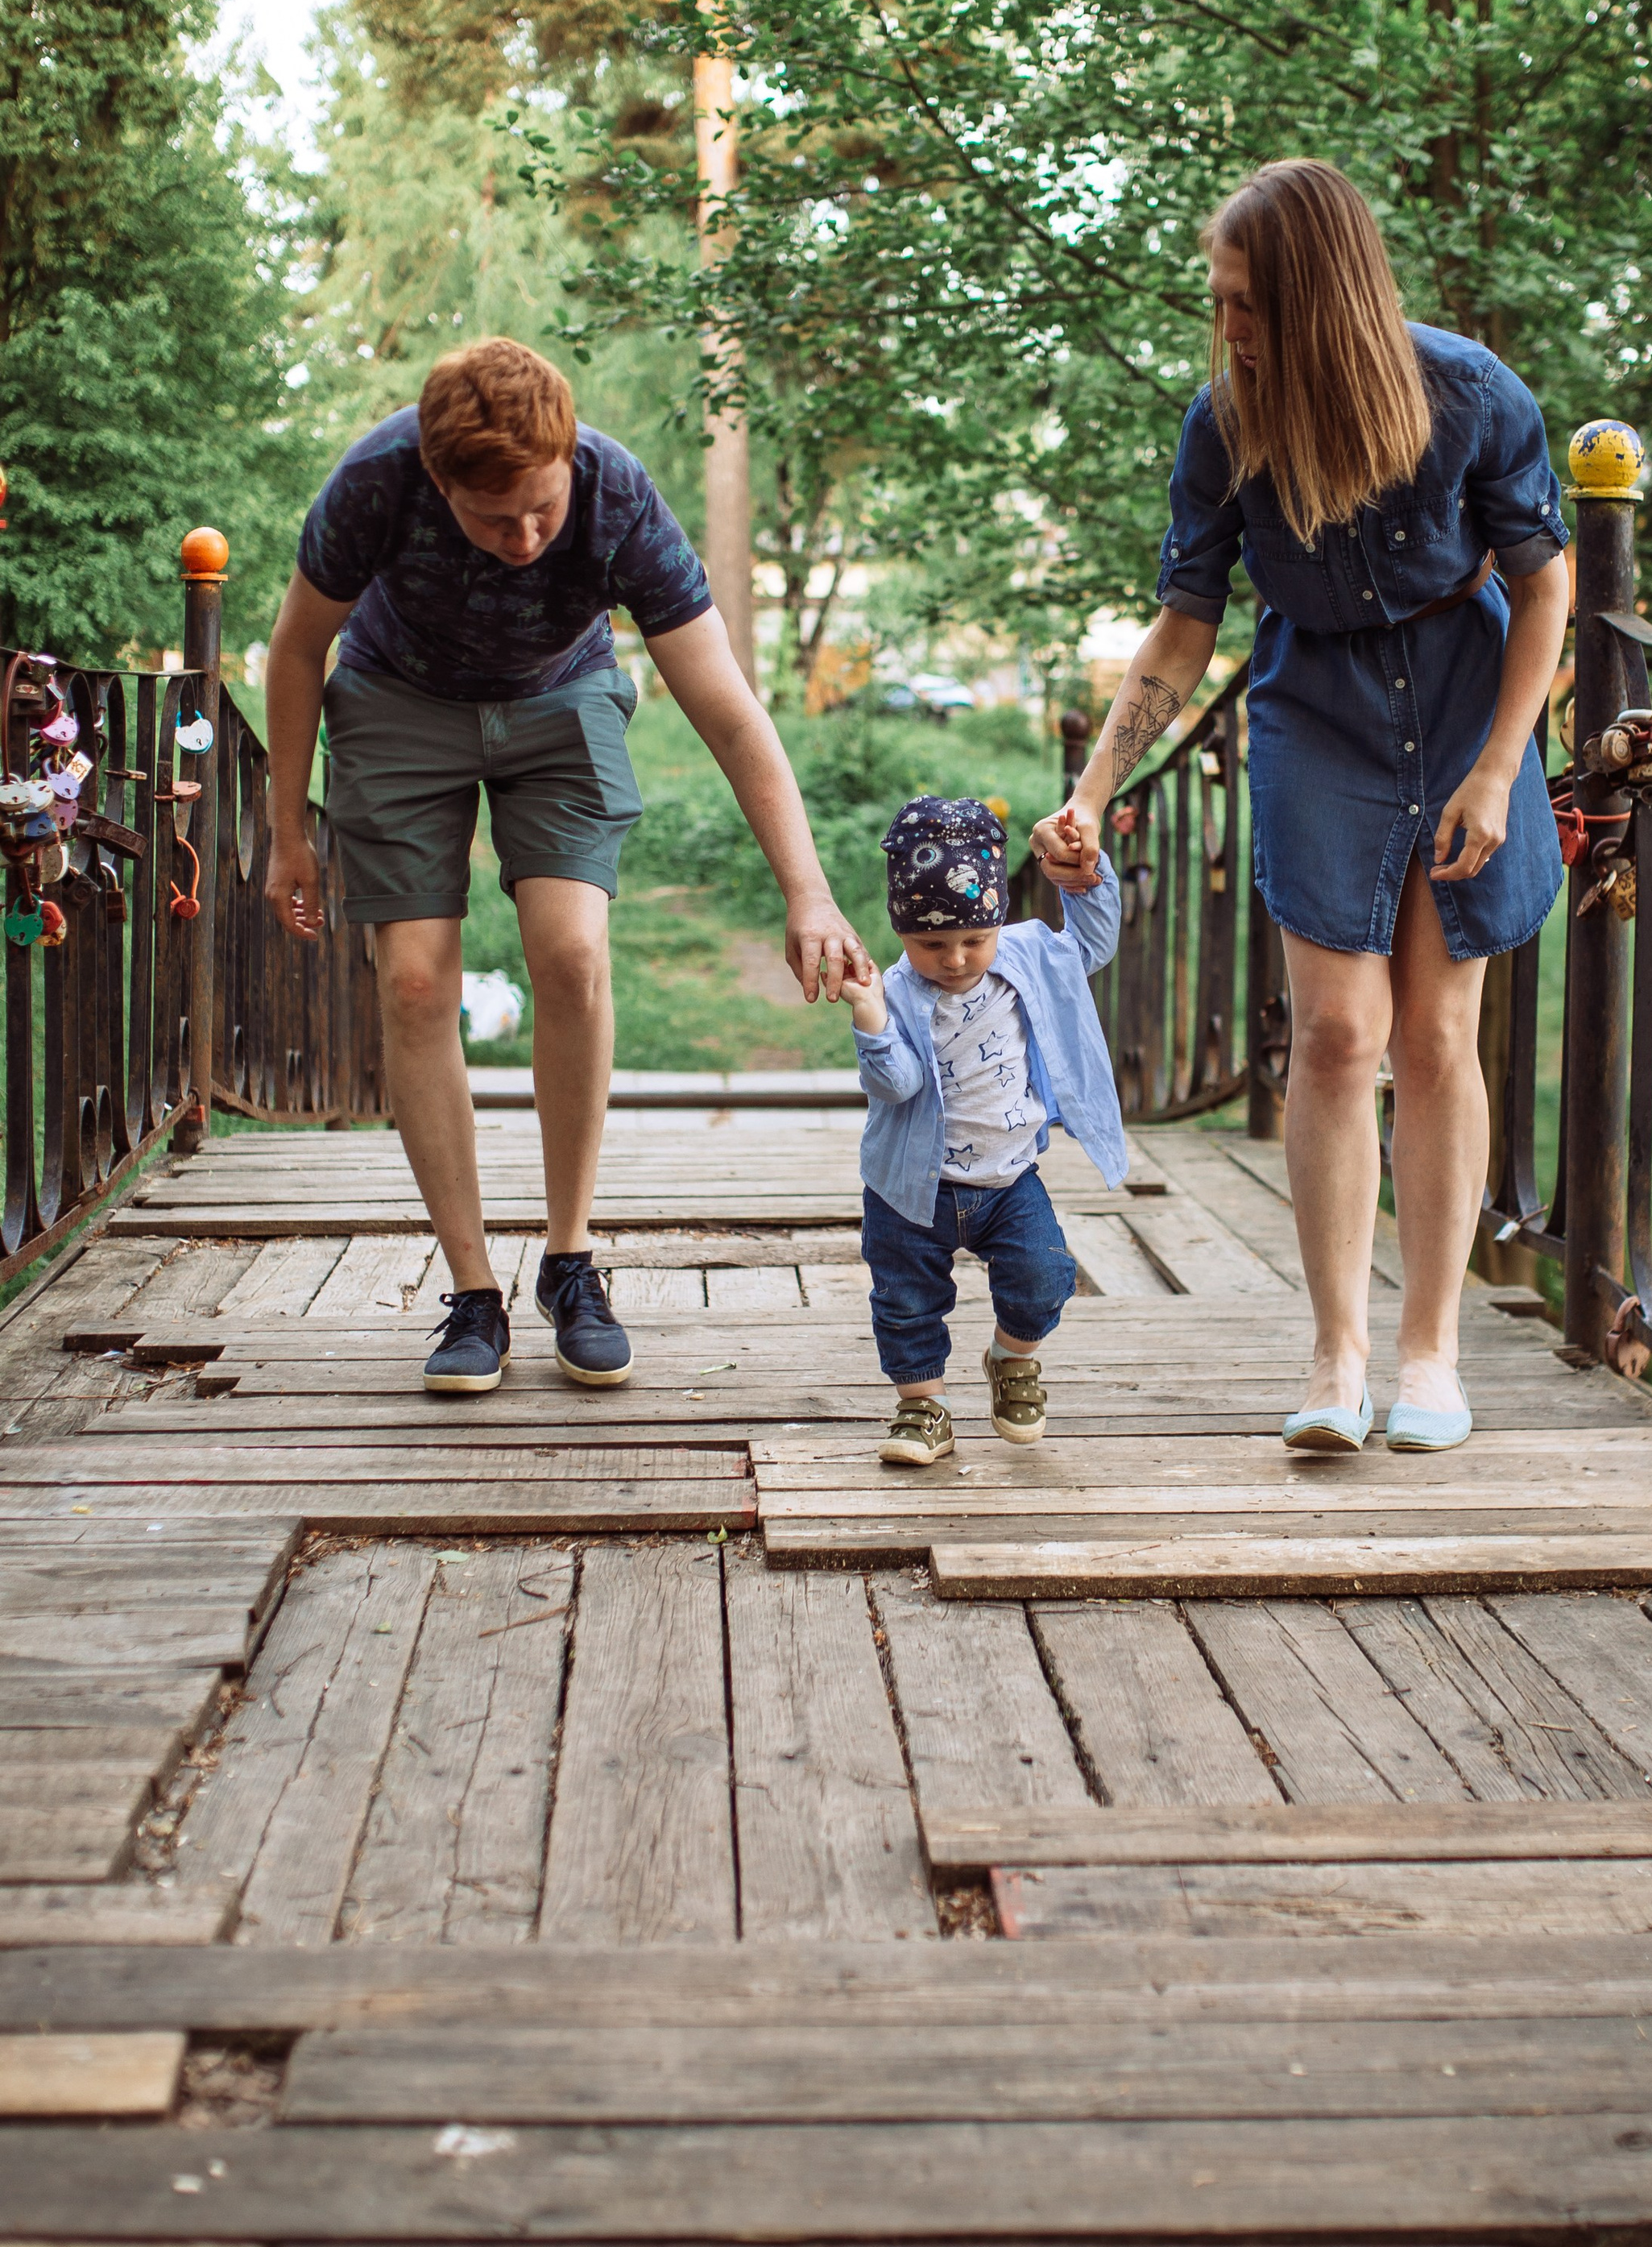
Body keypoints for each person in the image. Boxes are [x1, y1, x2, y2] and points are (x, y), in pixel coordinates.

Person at [1032, 159, 1569, 1455]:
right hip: (1314, 707)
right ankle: (1336, 1351)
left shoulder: (1470, 393)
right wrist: (1093, 790)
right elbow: (1185, 624)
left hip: (1461, 698)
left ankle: (1430, 1355)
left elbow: (1545, 587)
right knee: (1335, 1033)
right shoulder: (1225, 425)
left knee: (1436, 1040)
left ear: (1321, 301)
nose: (1227, 329)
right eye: (1218, 303)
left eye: (1246, 306)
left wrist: (1500, 766)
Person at [263, 337, 871, 1395]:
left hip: (561, 702)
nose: (529, 536)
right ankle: (470, 1294)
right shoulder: (374, 480)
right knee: (413, 979)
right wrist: (286, 834)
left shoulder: (615, 493)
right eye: (497, 519)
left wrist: (806, 890)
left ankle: (570, 1258)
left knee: (573, 954)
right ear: (439, 476)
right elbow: (293, 649)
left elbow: (727, 706)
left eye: (543, 508)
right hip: (399, 704)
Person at [847, 796, 1126, 1466]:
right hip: (912, 1190)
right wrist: (869, 1020)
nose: (955, 958)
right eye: (931, 944)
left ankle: (1011, 1358)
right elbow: (899, 1085)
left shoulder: (1028, 953)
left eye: (975, 938)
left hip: (1008, 1178)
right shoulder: (894, 991)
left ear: (998, 916)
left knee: (1045, 1276)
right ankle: (922, 1409)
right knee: (907, 1300)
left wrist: (1085, 874)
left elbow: (1094, 942)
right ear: (901, 932)